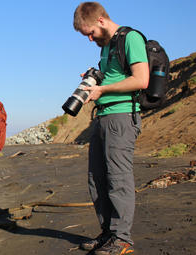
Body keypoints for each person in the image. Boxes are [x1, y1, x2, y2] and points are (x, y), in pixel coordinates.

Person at [73, 2, 149, 255]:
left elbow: (141, 79)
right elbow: (115, 76)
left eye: (90, 33)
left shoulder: (131, 38)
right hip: (103, 117)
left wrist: (102, 89)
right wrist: (96, 78)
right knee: (96, 178)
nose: (90, 39)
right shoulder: (106, 47)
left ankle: (122, 238)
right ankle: (108, 233)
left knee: (118, 178)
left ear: (102, 21)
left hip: (122, 116)